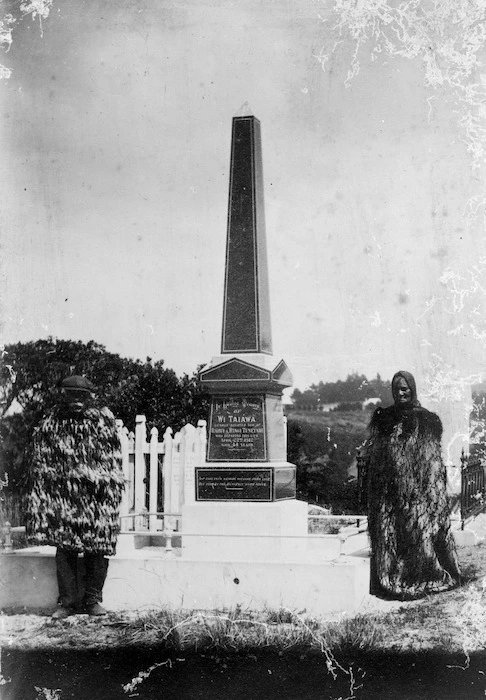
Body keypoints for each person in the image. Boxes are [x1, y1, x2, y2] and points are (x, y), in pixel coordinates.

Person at [26, 375, 125, 618]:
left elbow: (112, 458)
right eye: (71, 395)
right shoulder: (52, 421)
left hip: (96, 495)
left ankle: (92, 600)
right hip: (64, 496)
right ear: (62, 396)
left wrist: (102, 487)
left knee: (98, 546)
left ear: (90, 397)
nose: (76, 401)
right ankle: (67, 603)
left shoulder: (103, 421)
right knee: (65, 547)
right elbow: (43, 459)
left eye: (81, 396)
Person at [360, 370, 460, 600]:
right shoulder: (385, 418)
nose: (400, 392)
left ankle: (420, 573)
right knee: (390, 534)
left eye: (404, 388)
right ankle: (391, 576)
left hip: (417, 490)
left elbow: (431, 458)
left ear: (412, 389)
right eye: (396, 389)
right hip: (389, 490)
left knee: (416, 532)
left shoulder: (426, 419)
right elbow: (378, 454)